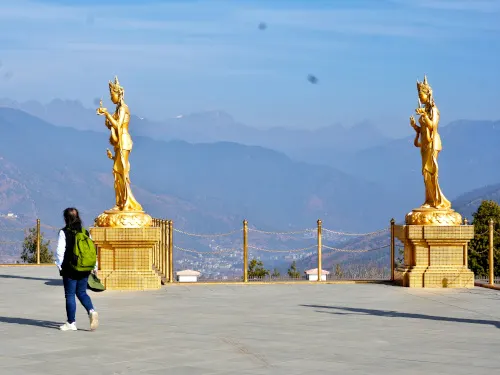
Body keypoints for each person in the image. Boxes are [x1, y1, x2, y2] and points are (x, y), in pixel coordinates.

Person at [55, 207, 99, 331]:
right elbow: (91, 251)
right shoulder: (85, 232)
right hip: (85, 267)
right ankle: (91, 311)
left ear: (65, 218)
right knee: (82, 292)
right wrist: (94, 266)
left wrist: (60, 266)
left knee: (70, 294)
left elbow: (60, 252)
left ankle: (71, 322)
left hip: (70, 268)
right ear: (78, 217)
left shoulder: (64, 232)